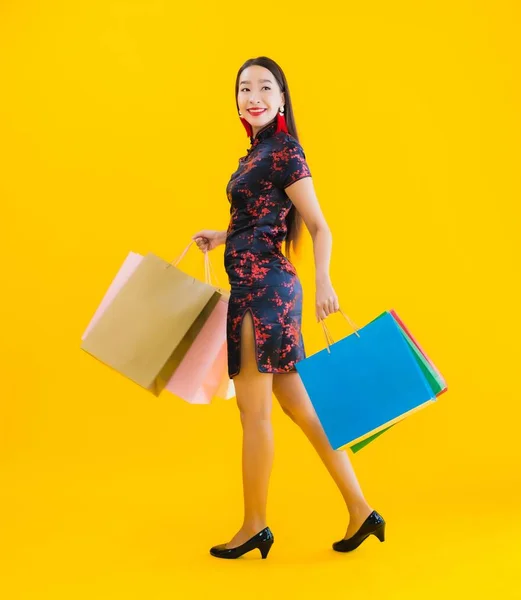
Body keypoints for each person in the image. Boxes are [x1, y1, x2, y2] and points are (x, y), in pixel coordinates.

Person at [191, 57, 385, 560]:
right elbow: (262, 219)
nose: (252, 96)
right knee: (300, 407)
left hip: (265, 291)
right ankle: (362, 509)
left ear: (281, 98)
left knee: (252, 412)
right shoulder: (257, 154)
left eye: (263, 87)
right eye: (243, 88)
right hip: (256, 285)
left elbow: (320, 225)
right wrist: (223, 235)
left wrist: (325, 281)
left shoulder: (284, 152)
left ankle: (255, 524)